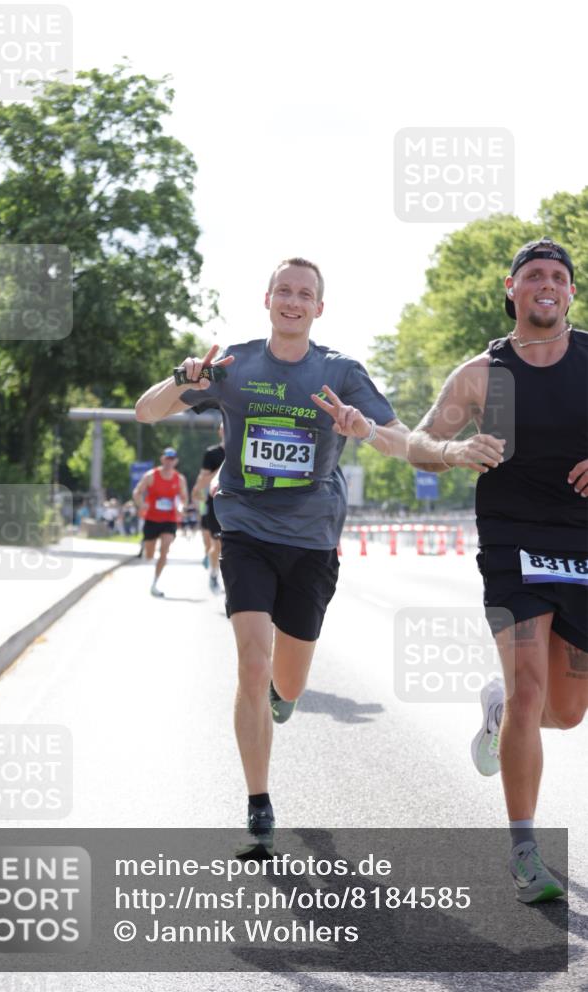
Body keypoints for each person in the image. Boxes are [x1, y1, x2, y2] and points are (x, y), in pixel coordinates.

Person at [135, 257, 409, 847]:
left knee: (288, 679)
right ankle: (258, 799)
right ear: (267, 300)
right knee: (253, 664)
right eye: (283, 290)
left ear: (318, 308)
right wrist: (183, 377)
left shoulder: (339, 370)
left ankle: (283, 697)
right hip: (247, 530)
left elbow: (403, 441)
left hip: (311, 540)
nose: (292, 300)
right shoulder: (233, 365)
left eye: (303, 294)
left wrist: (363, 429)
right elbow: (146, 410)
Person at [407, 237, 588, 904]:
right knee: (528, 684)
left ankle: (498, 712)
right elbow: (420, 446)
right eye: (533, 275)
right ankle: (524, 849)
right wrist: (454, 451)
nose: (546, 284)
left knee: (565, 712)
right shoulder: (484, 372)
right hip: (512, 546)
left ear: (569, 292)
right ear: (510, 289)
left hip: (581, 545)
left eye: (558, 277)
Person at [133, 447, 188, 597]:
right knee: (150, 555)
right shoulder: (151, 475)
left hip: (169, 519)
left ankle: (155, 583)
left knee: (165, 548)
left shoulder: (179, 479)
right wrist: (141, 504)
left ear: (176, 461)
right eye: (167, 459)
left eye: (172, 460)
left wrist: (180, 508)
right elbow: (137, 492)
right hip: (151, 518)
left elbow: (183, 498)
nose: (169, 462)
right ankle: (146, 547)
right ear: (162, 459)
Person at [192, 422, 226, 592]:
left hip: (240, 505)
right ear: (220, 432)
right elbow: (204, 481)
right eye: (224, 428)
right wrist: (222, 466)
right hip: (215, 504)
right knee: (217, 544)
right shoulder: (212, 454)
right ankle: (213, 574)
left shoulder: (245, 450)